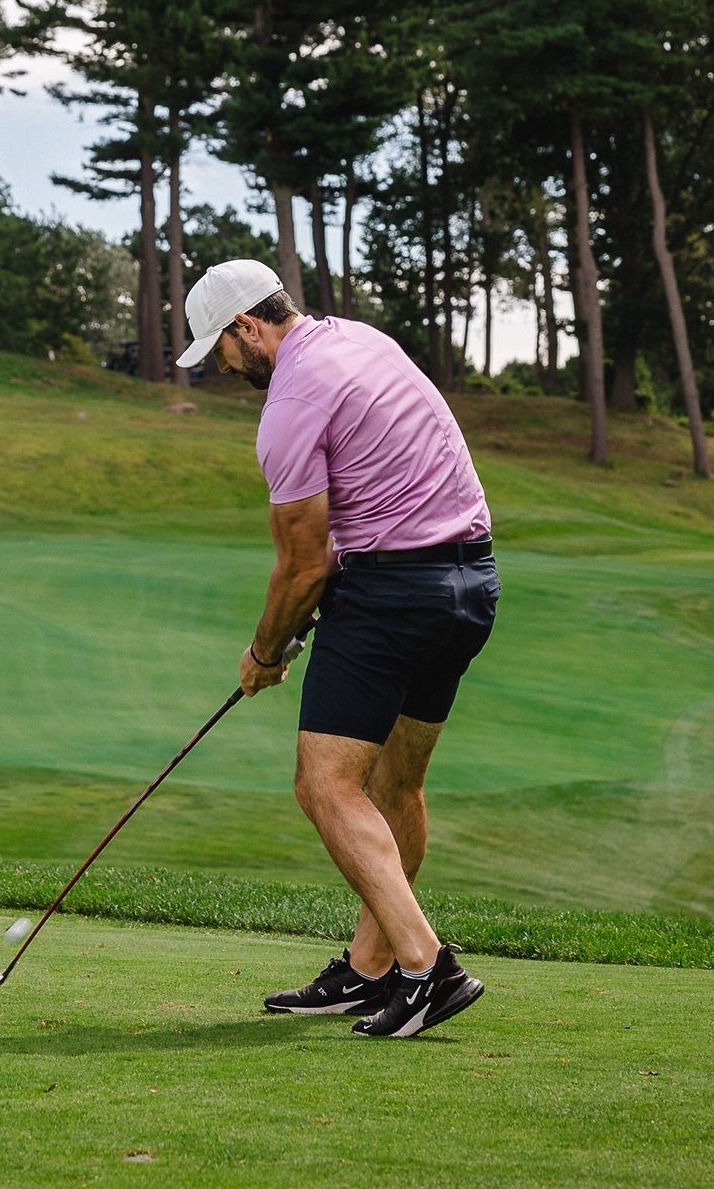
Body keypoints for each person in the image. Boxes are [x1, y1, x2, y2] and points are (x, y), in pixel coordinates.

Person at [177, 257, 496, 1040]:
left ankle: (427, 967)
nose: (222, 366)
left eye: (218, 348)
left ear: (246, 326)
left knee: (324, 784)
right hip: (469, 584)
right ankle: (370, 966)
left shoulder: (290, 400)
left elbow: (303, 561)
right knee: (395, 783)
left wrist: (264, 650)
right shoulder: (360, 339)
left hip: (392, 597)